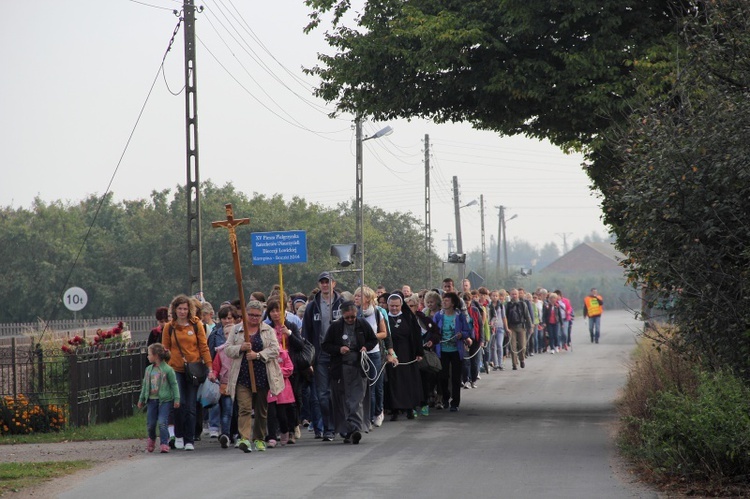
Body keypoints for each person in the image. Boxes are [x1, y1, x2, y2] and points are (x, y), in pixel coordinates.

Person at [224, 300, 283, 453]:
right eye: (251, 315)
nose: (254, 318)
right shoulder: (237, 330)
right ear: (245, 314)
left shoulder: (267, 330)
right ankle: (244, 438)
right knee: (244, 408)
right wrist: (241, 348)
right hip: (242, 376)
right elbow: (228, 349)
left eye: (257, 315)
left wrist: (258, 355)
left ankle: (259, 438)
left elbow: (275, 350)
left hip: (262, 375)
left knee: (261, 410)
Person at [161, 294, 215, 451]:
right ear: (175, 309)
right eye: (180, 309)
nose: (182, 312)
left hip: (193, 369)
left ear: (189, 310)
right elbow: (165, 349)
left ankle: (189, 439)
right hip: (175, 369)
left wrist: (210, 367)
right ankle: (178, 435)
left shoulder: (196, 325)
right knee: (179, 403)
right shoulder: (169, 327)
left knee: (191, 405)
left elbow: (203, 347)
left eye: (185, 308)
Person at [321, 301, 378, 444]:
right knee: (343, 400)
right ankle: (348, 430)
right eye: (347, 318)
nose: (351, 320)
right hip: (341, 368)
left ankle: (356, 428)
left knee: (357, 399)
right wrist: (339, 349)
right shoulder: (335, 327)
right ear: (342, 316)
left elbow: (373, 340)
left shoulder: (363, 324)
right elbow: (326, 345)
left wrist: (365, 347)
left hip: (358, 367)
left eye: (353, 317)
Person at [302, 272, 344, 441]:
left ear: (334, 283)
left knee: (339, 393)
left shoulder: (342, 303)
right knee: (323, 395)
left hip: (339, 354)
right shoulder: (312, 306)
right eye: (322, 282)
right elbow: (306, 333)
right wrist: (309, 358)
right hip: (320, 355)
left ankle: (342, 426)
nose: (325, 285)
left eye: (328, 282)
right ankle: (328, 428)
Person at [264, 298, 305, 445]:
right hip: (273, 368)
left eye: (278, 311)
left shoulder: (291, 325)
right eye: (272, 311)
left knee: (291, 402)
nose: (275, 314)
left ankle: (293, 428)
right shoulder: (267, 328)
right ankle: (275, 432)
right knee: (274, 403)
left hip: (291, 367)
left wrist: (289, 334)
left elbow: (300, 345)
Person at [354, 286, 393, 428]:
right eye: (356, 296)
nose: (356, 298)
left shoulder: (377, 313)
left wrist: (370, 337)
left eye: (359, 296)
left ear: (368, 298)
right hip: (359, 353)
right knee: (364, 386)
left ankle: (378, 411)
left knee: (376, 385)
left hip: (375, 353)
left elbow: (384, 333)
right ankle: (368, 416)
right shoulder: (354, 314)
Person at [385, 292, 424, 420]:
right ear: (388, 305)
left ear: (401, 305)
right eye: (392, 306)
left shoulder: (408, 317)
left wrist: (419, 352)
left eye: (397, 306)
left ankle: (409, 409)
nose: (394, 308)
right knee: (393, 382)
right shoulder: (384, 317)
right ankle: (395, 409)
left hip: (408, 352)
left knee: (408, 381)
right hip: (391, 353)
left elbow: (416, 335)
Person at [432, 291, 472, 411]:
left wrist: (462, 335)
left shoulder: (459, 316)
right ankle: (445, 398)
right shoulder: (438, 316)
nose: (444, 302)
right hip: (442, 350)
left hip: (456, 350)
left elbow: (467, 331)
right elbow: (433, 331)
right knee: (443, 376)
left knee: (455, 378)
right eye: (443, 300)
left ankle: (455, 403)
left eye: (447, 300)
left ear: (453, 303)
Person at [137, 343, 180, 454]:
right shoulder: (148, 370)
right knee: (151, 423)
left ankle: (164, 443)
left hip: (164, 401)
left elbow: (174, 384)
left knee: (162, 422)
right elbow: (145, 385)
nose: (148, 356)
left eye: (149, 354)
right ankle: (151, 440)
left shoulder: (167, 369)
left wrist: (176, 399)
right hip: (151, 400)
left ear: (156, 356)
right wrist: (141, 399)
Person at [406, 294, 440, 415]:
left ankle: (425, 403)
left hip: (424, 355)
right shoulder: (402, 320)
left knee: (425, 380)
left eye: (412, 306)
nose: (409, 308)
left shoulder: (424, 319)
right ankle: (412, 407)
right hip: (408, 356)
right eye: (407, 306)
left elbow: (437, 333)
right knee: (411, 381)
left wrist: (432, 341)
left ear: (417, 306)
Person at [210, 329, 234, 449]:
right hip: (225, 385)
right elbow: (216, 367)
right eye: (226, 334)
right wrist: (213, 374)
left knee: (240, 411)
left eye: (232, 333)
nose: (229, 336)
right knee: (227, 411)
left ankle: (238, 434)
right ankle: (226, 435)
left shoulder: (242, 349)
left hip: (240, 384)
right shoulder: (221, 351)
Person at [505, 289, 531, 370]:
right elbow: (505, 317)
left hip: (521, 327)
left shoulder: (523, 304)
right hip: (511, 327)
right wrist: (506, 328)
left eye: (515, 294)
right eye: (512, 294)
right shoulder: (508, 305)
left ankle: (522, 359)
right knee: (513, 347)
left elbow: (527, 315)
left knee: (522, 346)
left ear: (518, 295)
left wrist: (530, 326)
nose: (514, 296)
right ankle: (514, 364)